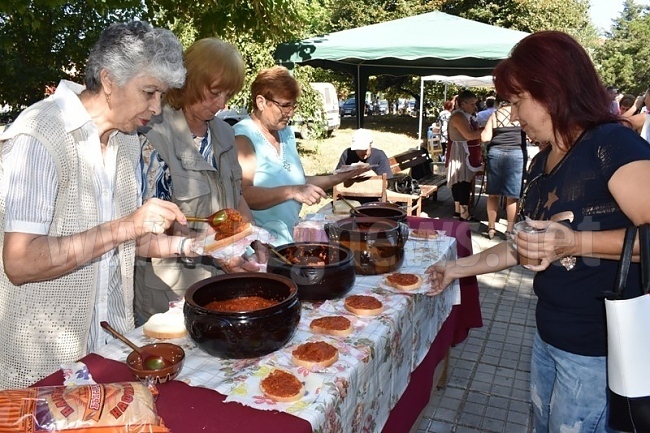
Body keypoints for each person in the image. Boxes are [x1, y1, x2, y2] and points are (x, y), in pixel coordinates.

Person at [427, 31, 650, 433]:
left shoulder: (611, 145)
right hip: (551, 337)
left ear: (552, 90)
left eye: (517, 101)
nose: (513, 116)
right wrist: (454, 270)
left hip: (600, 349)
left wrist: (576, 241)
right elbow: (521, 244)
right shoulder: (541, 162)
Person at [0, 21, 189, 389]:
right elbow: (19, 262)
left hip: (110, 351)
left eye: (161, 95)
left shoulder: (126, 141)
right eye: (149, 92)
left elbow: (129, 242)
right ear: (108, 80)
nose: (157, 107)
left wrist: (199, 245)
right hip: (44, 369)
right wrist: (127, 225)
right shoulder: (40, 133)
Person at [135, 38, 256, 323]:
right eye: (214, 93)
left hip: (219, 289)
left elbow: (236, 197)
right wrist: (209, 248)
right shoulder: (154, 136)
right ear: (189, 82)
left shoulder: (224, 134)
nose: (222, 104)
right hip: (169, 299)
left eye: (228, 94)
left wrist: (252, 238)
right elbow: (143, 237)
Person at [235, 66, 367, 245]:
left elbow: (299, 182)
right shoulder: (242, 137)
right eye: (284, 105)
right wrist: (293, 192)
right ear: (261, 102)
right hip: (258, 247)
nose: (290, 112)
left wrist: (340, 177)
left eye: (293, 105)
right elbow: (243, 195)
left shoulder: (286, 133)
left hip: (287, 239)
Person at [480, 99, 527, 238]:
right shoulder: (520, 113)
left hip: (496, 154)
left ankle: (491, 228)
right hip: (516, 154)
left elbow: (484, 137)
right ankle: (510, 230)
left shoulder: (495, 115)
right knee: (512, 195)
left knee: (493, 194)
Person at [445, 90, 483, 221]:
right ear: (463, 104)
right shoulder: (458, 117)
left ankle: (459, 211)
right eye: (472, 104)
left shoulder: (466, 115)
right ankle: (463, 213)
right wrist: (489, 129)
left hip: (464, 150)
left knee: (461, 181)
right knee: (462, 181)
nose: (475, 107)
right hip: (460, 151)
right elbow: (469, 135)